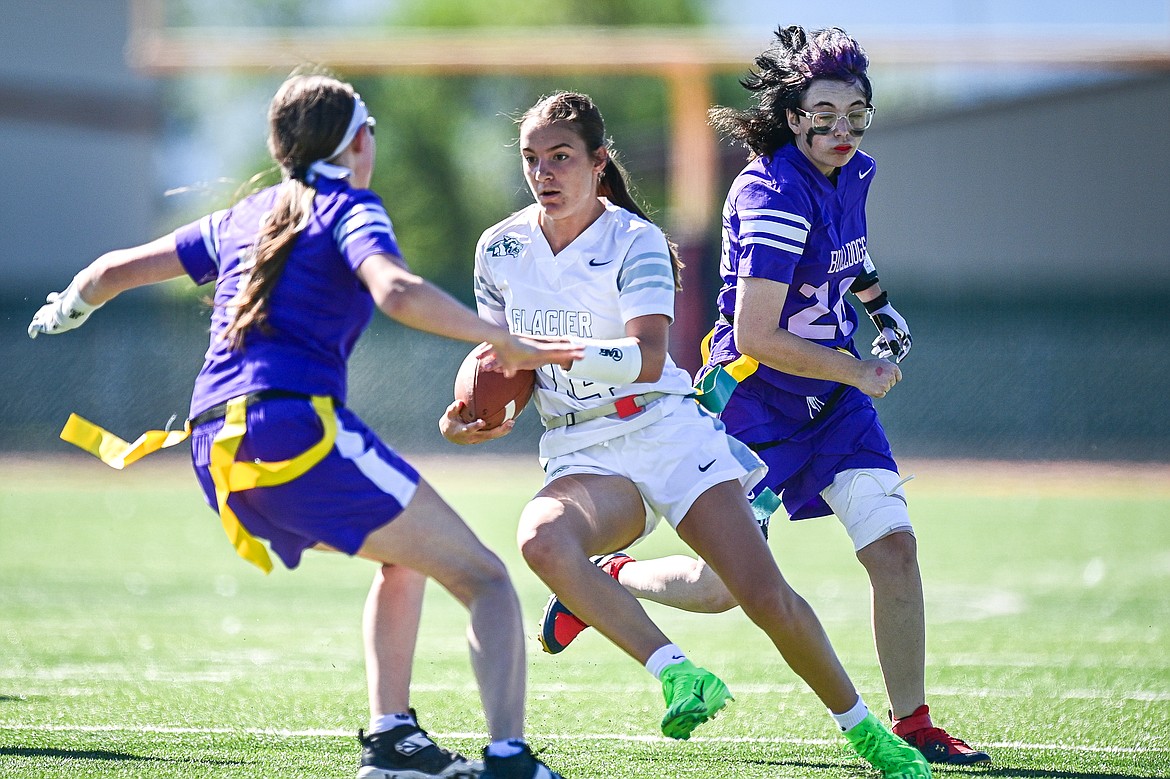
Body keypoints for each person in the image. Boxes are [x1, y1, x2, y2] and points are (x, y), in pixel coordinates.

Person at [27, 70, 577, 779]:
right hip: (291, 428)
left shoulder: (245, 213)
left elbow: (109, 272)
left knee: (405, 553)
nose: (373, 141)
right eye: (369, 128)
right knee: (487, 578)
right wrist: (504, 340)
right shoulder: (350, 206)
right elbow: (397, 289)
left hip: (212, 444)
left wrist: (67, 304)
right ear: (353, 142)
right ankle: (508, 761)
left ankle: (393, 742)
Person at [440, 90, 931, 778]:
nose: (544, 173)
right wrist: (475, 417)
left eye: (560, 157)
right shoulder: (500, 247)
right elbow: (499, 362)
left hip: (667, 431)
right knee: (540, 539)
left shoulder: (634, 241)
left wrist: (547, 352)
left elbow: (645, 356)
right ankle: (676, 672)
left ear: (598, 160)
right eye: (531, 159)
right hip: (582, 448)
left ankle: (867, 730)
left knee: (760, 595)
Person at [536, 27, 991, 767]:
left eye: (856, 113)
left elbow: (843, 249)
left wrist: (878, 303)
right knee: (723, 589)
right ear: (792, 116)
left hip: (831, 404)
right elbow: (755, 333)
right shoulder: (773, 190)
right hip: (755, 406)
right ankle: (612, 576)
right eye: (826, 114)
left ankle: (912, 723)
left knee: (894, 548)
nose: (842, 129)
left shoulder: (852, 171)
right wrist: (857, 371)